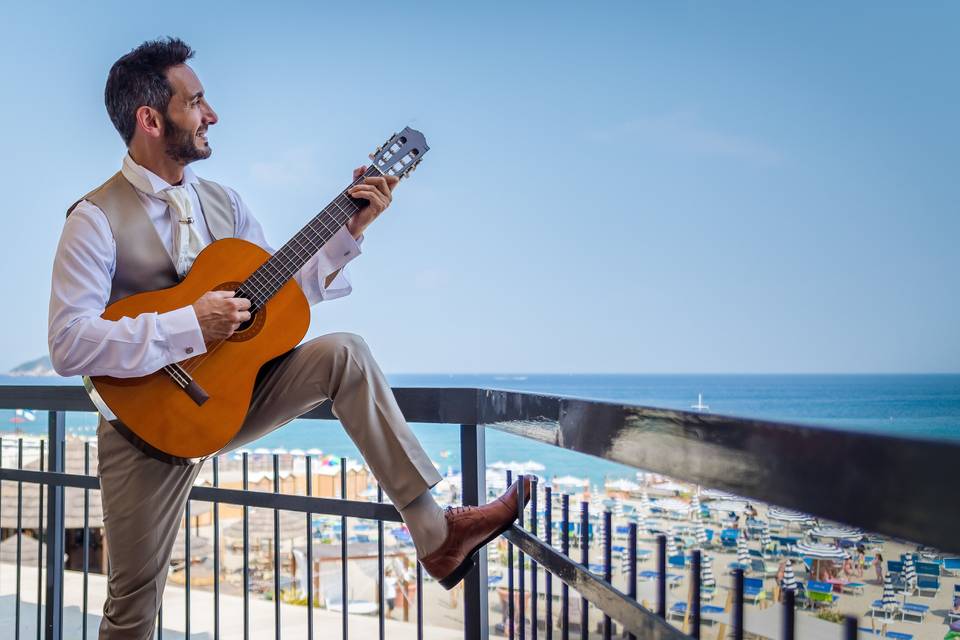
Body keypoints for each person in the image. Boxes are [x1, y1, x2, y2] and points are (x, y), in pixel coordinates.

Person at [48, 37, 529, 639]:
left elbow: (280, 294)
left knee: (344, 353)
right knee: (132, 606)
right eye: (196, 102)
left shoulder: (227, 203)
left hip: (235, 398)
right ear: (150, 119)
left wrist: (348, 227)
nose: (212, 114)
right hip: (147, 427)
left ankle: (436, 534)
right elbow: (69, 343)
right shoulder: (93, 218)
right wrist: (190, 323)